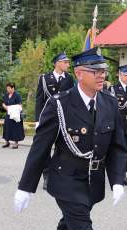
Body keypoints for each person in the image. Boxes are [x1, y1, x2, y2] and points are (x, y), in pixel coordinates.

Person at [13, 47, 127, 230]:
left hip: (92, 182)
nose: (101, 75)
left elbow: (118, 146)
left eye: (104, 71)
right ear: (79, 73)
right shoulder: (60, 104)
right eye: (95, 71)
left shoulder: (109, 102)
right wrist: (25, 187)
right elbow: (40, 148)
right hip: (66, 179)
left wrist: (117, 180)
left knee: (71, 227)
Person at [35, 52, 75, 190]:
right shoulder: (45, 79)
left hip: (64, 119)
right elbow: (39, 100)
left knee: (63, 148)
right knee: (45, 148)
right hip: (48, 119)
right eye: (65, 62)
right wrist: (37, 120)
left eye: (68, 62)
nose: (68, 65)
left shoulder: (69, 79)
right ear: (57, 63)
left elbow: (71, 100)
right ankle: (47, 175)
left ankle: (59, 175)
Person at [109, 64, 127, 186]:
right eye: (125, 75)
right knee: (116, 150)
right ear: (120, 75)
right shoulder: (113, 89)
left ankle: (123, 174)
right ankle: (115, 174)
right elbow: (109, 109)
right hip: (117, 124)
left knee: (126, 151)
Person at [1, 82, 25, 149]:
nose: (7, 89)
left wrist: (10, 108)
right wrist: (5, 107)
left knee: (15, 129)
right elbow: (3, 103)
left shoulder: (17, 95)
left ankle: (16, 143)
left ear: (13, 88)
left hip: (15, 115)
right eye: (7, 88)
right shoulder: (6, 95)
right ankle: (7, 142)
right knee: (7, 128)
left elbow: (20, 105)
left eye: (9, 88)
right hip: (8, 114)